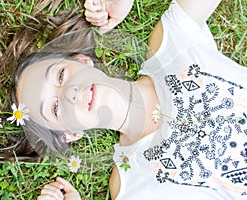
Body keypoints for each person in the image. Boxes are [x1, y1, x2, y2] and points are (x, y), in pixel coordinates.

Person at [22, 0, 247, 199]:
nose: (68, 93)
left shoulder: (170, 47)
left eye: (60, 75)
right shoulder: (132, 184)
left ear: (82, 60)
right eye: (54, 107)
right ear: (70, 133)